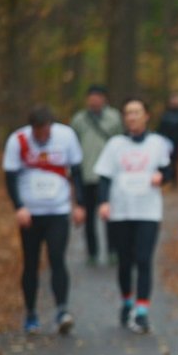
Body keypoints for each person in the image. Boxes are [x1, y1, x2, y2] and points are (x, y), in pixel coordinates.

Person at [2, 106, 86, 334]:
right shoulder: (17, 140)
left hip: (58, 210)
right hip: (30, 213)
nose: (42, 135)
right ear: (32, 129)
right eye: (38, 132)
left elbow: (77, 172)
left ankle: (62, 311)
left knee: (57, 257)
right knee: (31, 262)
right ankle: (30, 314)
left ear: (51, 126)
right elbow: (10, 177)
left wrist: (79, 204)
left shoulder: (66, 136)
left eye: (46, 130)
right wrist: (19, 207)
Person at [94, 97, 172, 333]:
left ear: (146, 115)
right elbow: (104, 176)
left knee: (144, 259)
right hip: (121, 210)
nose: (132, 116)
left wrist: (162, 177)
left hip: (148, 210)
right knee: (125, 262)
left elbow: (167, 170)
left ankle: (142, 311)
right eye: (128, 112)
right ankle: (127, 301)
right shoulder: (115, 144)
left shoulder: (158, 143)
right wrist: (104, 202)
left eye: (137, 112)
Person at [71, 85, 124, 266]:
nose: (94, 100)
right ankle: (92, 253)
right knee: (89, 218)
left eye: (98, 96)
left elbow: (121, 143)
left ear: (104, 99)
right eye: (91, 96)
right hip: (86, 174)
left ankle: (112, 251)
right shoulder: (79, 119)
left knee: (110, 215)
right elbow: (74, 147)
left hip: (109, 176)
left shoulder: (115, 117)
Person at [157, 92, 178, 188]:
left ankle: (175, 181)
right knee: (167, 160)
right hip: (166, 142)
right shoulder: (165, 114)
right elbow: (161, 128)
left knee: (176, 161)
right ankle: (168, 178)